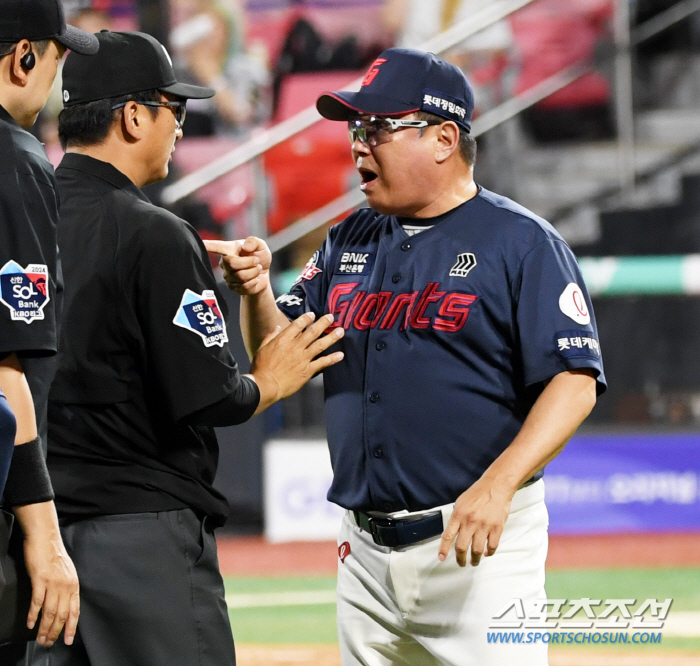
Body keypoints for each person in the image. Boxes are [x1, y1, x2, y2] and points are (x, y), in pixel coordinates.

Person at [206, 47, 606, 666]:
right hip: (363, 552)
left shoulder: (522, 242)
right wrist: (256, 292)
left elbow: (575, 381)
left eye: (379, 129)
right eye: (355, 130)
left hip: (477, 548)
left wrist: (498, 488)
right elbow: (275, 353)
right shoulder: (348, 237)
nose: (359, 145)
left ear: (445, 138)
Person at [29, 30, 344, 666]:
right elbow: (213, 397)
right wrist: (272, 380)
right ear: (134, 116)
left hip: (39, 532)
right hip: (140, 539)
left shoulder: (29, 212)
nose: (179, 125)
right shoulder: (156, 234)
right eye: (172, 110)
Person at [0, 0, 98, 659]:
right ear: (23, 57)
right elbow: (7, 371)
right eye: (58, 61)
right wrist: (45, 537)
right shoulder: (15, 162)